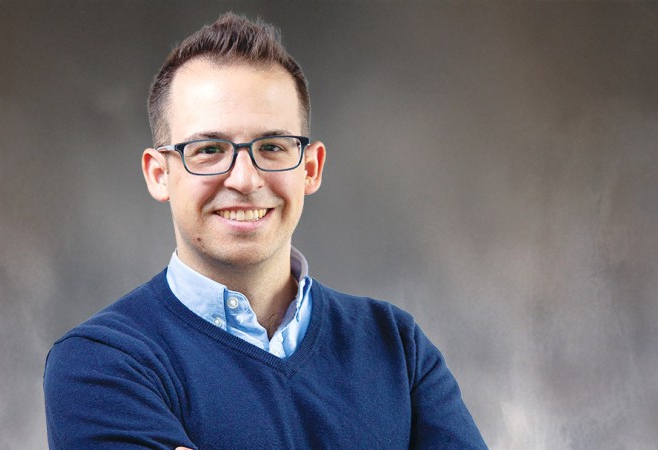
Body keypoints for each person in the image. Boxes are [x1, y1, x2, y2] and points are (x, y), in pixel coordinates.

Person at [43, 12, 487, 449]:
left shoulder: (396, 347)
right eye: (209, 149)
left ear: (310, 168)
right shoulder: (100, 363)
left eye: (272, 147)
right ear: (159, 174)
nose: (244, 179)